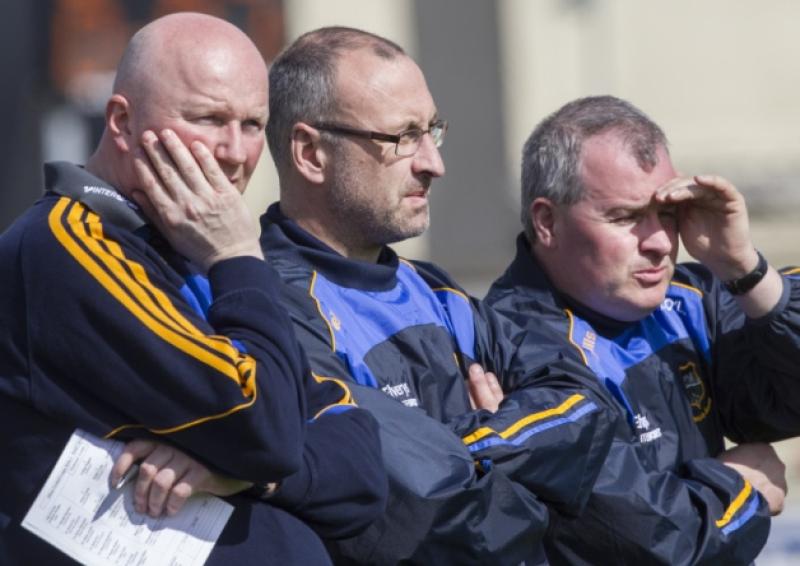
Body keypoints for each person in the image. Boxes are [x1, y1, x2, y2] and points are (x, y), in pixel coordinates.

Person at [0, 13, 386, 565]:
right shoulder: (67, 245)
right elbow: (270, 428)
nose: (234, 151)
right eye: (208, 119)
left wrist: (239, 474)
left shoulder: (200, 253)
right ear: (122, 122)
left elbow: (360, 458)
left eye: (253, 125)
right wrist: (237, 255)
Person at [259, 26, 619, 564]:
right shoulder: (274, 309)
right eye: (403, 137)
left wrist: (476, 447)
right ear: (311, 153)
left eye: (433, 130)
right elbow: (422, 508)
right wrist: (536, 483)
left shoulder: (435, 290)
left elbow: (587, 401)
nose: (434, 162)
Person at [486, 95, 797, 563]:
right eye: (626, 217)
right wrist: (740, 489)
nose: (658, 243)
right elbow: (642, 539)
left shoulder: (687, 299)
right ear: (546, 221)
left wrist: (744, 269)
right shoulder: (511, 342)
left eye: (667, 216)